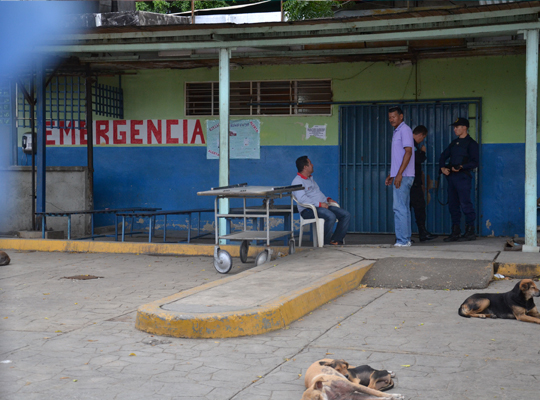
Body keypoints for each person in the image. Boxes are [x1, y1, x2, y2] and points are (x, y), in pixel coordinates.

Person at [292, 156, 351, 245]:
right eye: (310, 163)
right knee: (330, 216)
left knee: (345, 215)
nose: (312, 165)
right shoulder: (297, 181)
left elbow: (318, 194)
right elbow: (302, 199)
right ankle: (324, 243)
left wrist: (328, 199)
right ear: (305, 167)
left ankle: (335, 240)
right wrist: (319, 204)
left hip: (321, 206)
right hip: (308, 210)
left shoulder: (310, 179)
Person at [439, 117, 479, 242]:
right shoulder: (454, 143)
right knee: (453, 205)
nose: (455, 129)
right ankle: (455, 231)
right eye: (455, 127)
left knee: (465, 204)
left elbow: (475, 162)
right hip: (452, 177)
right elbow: (442, 156)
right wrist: (442, 168)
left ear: (465, 128)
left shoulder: (471, 143)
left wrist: (462, 166)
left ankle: (470, 230)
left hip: (463, 177)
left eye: (457, 127)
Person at [385, 106, 415, 247]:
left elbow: (408, 152)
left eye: (394, 116)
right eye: (390, 117)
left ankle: (402, 240)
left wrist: (399, 174)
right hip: (400, 175)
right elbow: (398, 157)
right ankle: (406, 239)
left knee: (399, 208)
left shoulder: (405, 130)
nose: (391, 119)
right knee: (403, 208)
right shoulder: (397, 131)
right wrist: (392, 174)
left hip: (404, 176)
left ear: (401, 116)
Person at [411, 125, 437, 242]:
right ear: (421, 135)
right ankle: (422, 233)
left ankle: (420, 232)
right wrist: (423, 152)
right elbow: (417, 159)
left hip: (411, 181)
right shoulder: (412, 145)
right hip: (412, 182)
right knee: (419, 207)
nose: (423, 140)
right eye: (423, 137)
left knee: (411, 208)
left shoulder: (409, 143)